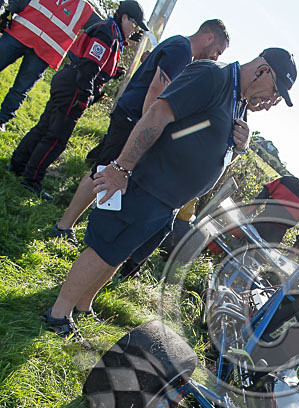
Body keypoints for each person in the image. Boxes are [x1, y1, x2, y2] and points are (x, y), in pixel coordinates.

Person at [43, 46, 297, 343]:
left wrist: (240, 149)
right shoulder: (213, 76)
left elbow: (214, 149)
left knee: (117, 254)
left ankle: (83, 305)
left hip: (166, 202)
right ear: (262, 70)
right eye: (274, 93)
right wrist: (121, 168)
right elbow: (158, 114)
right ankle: (59, 313)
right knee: (103, 249)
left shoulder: (237, 103)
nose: (270, 104)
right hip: (147, 184)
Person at [52, 18, 229, 245]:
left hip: (130, 116)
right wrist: (148, 130)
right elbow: (156, 91)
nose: (215, 58)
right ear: (209, 37)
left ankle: (72, 223)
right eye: (217, 51)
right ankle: (64, 226)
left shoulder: (178, 46)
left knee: (103, 168)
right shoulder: (181, 50)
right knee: (103, 171)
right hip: (132, 119)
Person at [8, 0, 146, 198]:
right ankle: (31, 180)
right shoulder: (108, 33)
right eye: (134, 24)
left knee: (45, 126)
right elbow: (89, 66)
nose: (134, 31)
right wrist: (85, 95)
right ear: (124, 17)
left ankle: (18, 165)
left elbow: (93, 63)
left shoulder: (109, 31)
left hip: (69, 80)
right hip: (75, 86)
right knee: (56, 138)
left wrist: (110, 74)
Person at [0, 0, 99, 132]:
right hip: (19, 33)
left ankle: (2, 119)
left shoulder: (85, 10)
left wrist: (120, 31)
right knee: (20, 88)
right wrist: (10, 10)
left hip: (44, 52)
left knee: (21, 88)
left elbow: (103, 28)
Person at [245, 162, 299, 251]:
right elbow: (264, 193)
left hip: (275, 237)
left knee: (255, 261)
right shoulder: (286, 181)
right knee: (239, 246)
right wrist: (249, 212)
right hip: (260, 222)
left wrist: (294, 250)